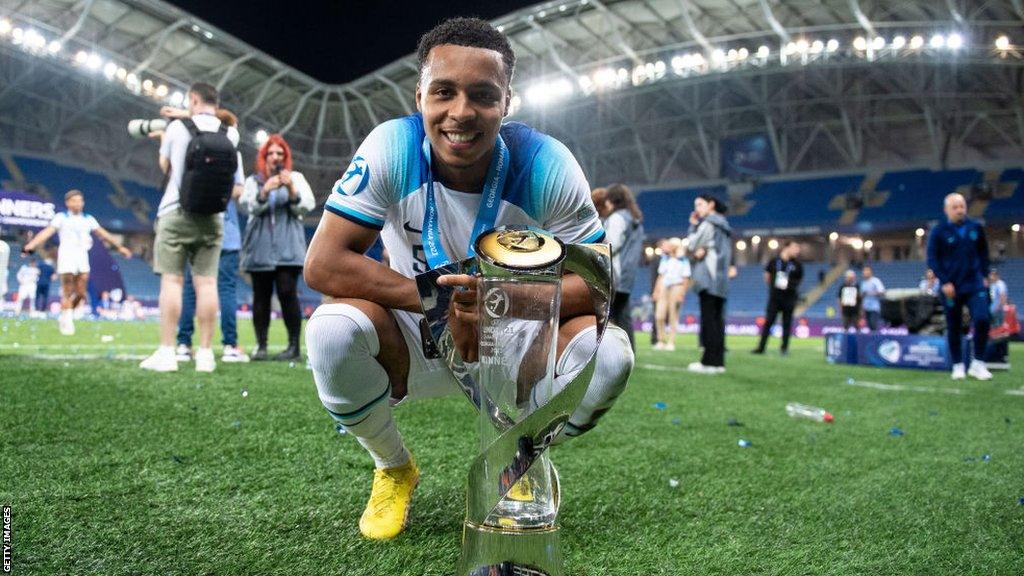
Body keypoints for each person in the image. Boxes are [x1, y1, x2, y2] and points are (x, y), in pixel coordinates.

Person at [303, 17, 633, 541]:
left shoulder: (546, 162)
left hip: (512, 339)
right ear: (419, 97)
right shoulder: (392, 146)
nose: (461, 112)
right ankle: (392, 466)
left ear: (507, 102)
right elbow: (323, 265)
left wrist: (500, 301)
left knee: (610, 354)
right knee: (329, 330)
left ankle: (520, 457)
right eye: (444, 92)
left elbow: (598, 285)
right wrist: (438, 302)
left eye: (482, 95)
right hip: (415, 332)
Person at [139, 82, 245, 373]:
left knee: (173, 281)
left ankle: (167, 352)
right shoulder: (231, 133)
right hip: (214, 217)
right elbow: (239, 183)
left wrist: (166, 140)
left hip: (176, 211)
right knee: (207, 283)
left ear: (193, 99)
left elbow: (166, 167)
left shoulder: (177, 128)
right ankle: (206, 354)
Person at [167, 108, 250, 364]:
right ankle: (229, 346)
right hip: (224, 229)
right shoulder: (230, 149)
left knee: (191, 288)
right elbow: (239, 190)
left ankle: (182, 344)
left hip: (192, 221)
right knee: (222, 288)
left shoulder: (192, 141)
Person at [240, 134, 316, 361]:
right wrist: (264, 192)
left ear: (286, 157)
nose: (275, 157)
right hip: (260, 246)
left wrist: (292, 190)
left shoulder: (296, 178)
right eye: (271, 153)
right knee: (260, 296)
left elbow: (306, 207)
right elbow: (247, 207)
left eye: (279, 154)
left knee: (287, 293)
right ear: (264, 157)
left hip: (288, 246)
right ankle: (261, 346)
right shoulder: (254, 181)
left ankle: (293, 347)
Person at [21, 190, 132, 335]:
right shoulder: (61, 218)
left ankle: (65, 315)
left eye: (80, 200)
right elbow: (46, 232)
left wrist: (120, 247)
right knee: (67, 290)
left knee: (81, 293)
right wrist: (31, 245)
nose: (78, 203)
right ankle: (67, 321)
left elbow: (103, 234)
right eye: (75, 200)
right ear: (68, 203)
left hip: (82, 256)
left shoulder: (88, 219)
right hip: (66, 255)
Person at [926, 192, 993, 380]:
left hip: (974, 284)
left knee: (982, 319)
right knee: (954, 326)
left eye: (962, 206)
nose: (960, 210)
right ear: (946, 210)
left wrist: (985, 275)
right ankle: (957, 365)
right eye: (955, 207)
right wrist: (945, 281)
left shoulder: (976, 228)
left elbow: (984, 254)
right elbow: (932, 258)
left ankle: (978, 363)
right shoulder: (938, 231)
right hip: (950, 287)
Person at [685, 194, 732, 374]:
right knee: (718, 321)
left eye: (700, 204)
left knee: (709, 321)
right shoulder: (724, 224)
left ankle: (709, 362)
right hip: (721, 280)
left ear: (711, 204)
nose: (697, 208)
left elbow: (692, 243)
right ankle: (719, 362)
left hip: (709, 278)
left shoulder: (708, 224)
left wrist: (693, 224)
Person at [594, 184, 644, 351]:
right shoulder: (633, 218)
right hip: (627, 273)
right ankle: (628, 352)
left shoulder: (617, 218)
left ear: (611, 201)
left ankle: (620, 353)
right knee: (624, 315)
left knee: (614, 316)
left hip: (616, 272)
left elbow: (611, 246)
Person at [753, 241, 803, 355]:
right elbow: (767, 276)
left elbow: (799, 280)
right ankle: (761, 348)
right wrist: (774, 287)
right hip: (775, 297)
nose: (797, 251)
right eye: (795, 247)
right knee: (769, 322)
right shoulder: (774, 261)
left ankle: (784, 349)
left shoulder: (797, 265)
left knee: (787, 323)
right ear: (787, 247)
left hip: (789, 298)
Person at [652, 238, 689, 351]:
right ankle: (661, 340)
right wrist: (656, 290)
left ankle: (671, 342)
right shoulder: (665, 259)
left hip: (677, 286)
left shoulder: (683, 260)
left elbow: (686, 278)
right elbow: (660, 276)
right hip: (664, 286)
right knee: (659, 315)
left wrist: (682, 293)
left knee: (674, 316)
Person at [860, 266, 885, 331]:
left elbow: (882, 292)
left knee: (873, 325)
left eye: (867, 271)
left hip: (874, 308)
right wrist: (862, 309)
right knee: (869, 326)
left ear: (871, 272)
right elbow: (862, 296)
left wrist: (870, 293)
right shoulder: (863, 283)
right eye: (864, 271)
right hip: (866, 308)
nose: (865, 273)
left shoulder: (875, 281)